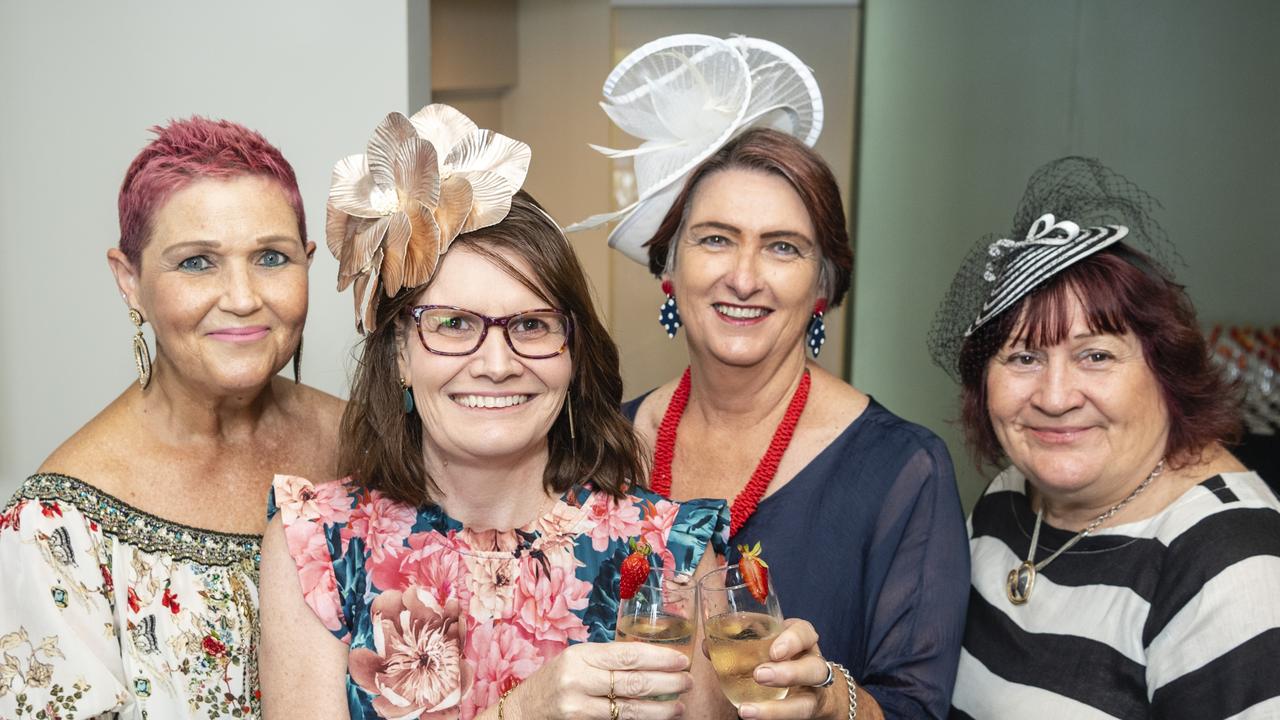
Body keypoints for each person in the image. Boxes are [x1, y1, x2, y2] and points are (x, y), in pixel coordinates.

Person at [259, 104, 753, 719]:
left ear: (573, 353)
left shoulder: (667, 555)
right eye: (455, 324)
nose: (497, 363)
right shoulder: (321, 548)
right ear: (398, 357)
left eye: (531, 324)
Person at [571, 35, 970, 719]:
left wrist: (828, 703)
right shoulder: (601, 444)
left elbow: (918, 710)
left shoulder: (904, 472)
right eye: (716, 238)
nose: (745, 277)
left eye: (783, 247)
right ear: (668, 266)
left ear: (823, 285)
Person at [0, 117, 343, 718]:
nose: (241, 297)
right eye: (196, 263)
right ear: (128, 280)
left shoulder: (373, 445)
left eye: (271, 257)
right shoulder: (54, 534)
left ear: (307, 263)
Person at [931, 157, 1280, 718]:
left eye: (1095, 355)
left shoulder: (1229, 564)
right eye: (1023, 357)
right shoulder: (1008, 497)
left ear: (1165, 373)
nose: (1055, 396)